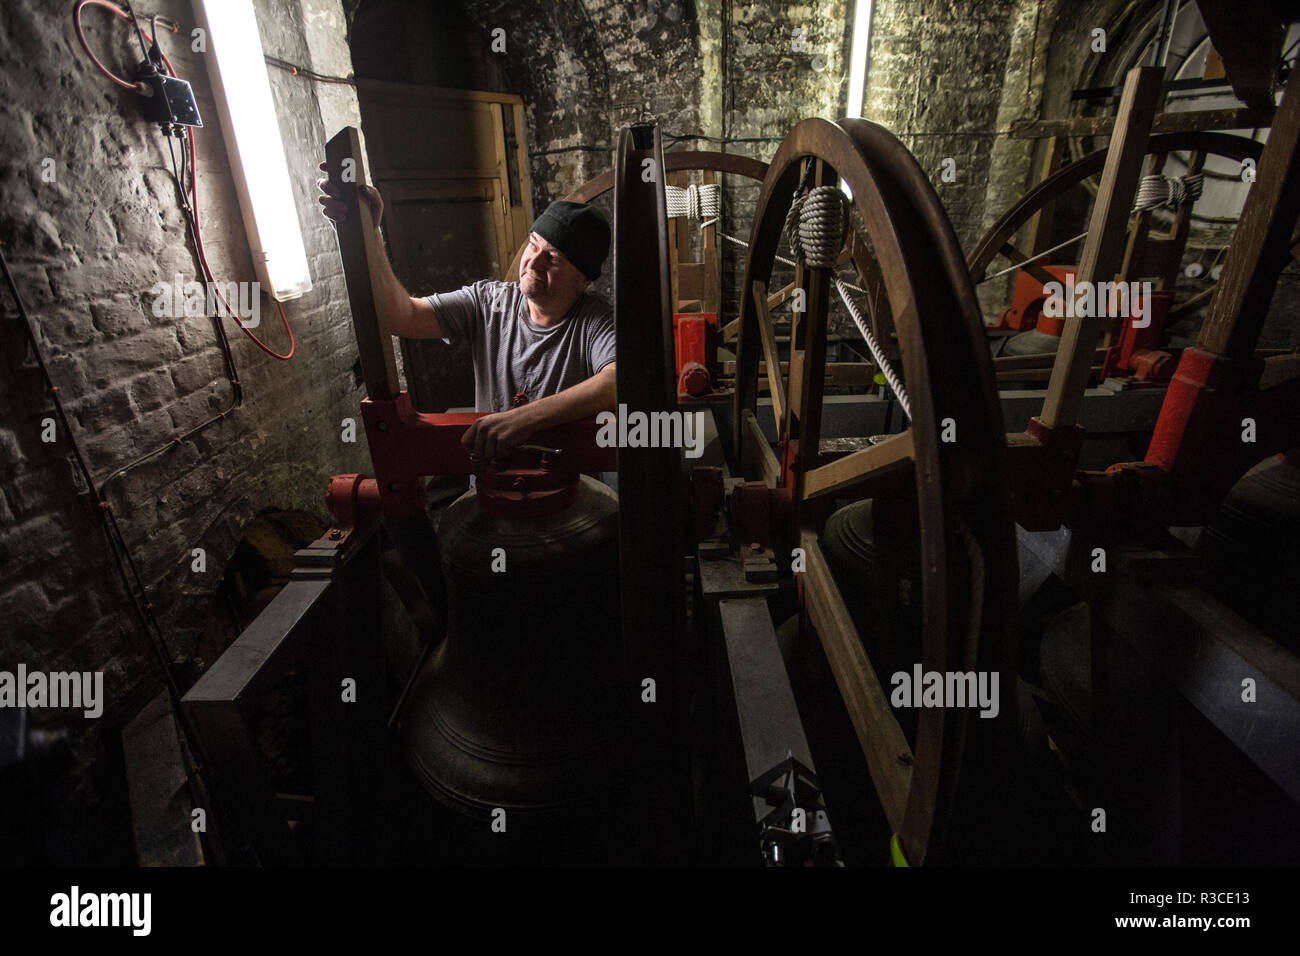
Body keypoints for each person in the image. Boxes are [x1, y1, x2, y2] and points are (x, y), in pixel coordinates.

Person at [317, 167, 616, 461]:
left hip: (568, 493)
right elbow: (401, 316)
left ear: (583, 279)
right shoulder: (488, 302)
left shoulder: (596, 321)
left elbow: (617, 381)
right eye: (533, 244)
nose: (532, 262)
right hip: (490, 486)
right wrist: (367, 235)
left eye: (553, 258)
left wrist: (524, 419)